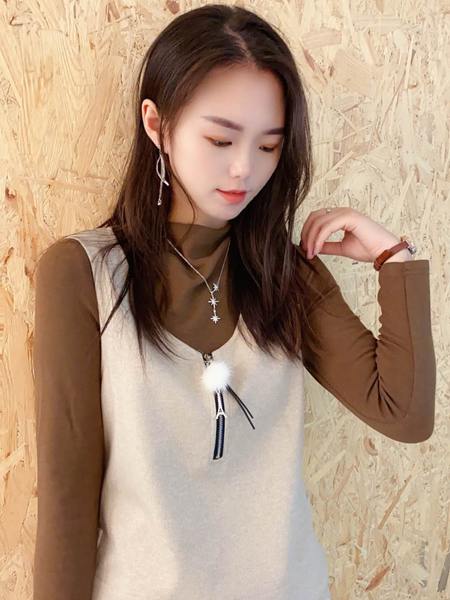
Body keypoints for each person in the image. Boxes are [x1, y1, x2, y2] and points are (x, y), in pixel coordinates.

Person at [32, 4, 435, 599]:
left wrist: (393, 259)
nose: (244, 168)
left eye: (269, 146)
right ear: (156, 124)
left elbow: (403, 414)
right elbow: (67, 501)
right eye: (219, 139)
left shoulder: (285, 272)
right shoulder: (84, 273)